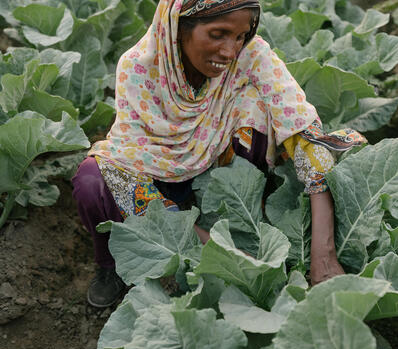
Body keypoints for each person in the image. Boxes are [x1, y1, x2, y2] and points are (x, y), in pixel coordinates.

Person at [72, 0, 366, 308]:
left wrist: (324, 253)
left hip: (217, 169)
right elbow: (125, 168)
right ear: (178, 27)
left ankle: (241, 214)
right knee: (91, 181)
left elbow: (302, 128)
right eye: (218, 34)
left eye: (240, 36)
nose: (230, 51)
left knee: (260, 105)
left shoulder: (252, 55)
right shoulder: (138, 67)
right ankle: (111, 264)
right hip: (151, 171)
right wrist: (223, 254)